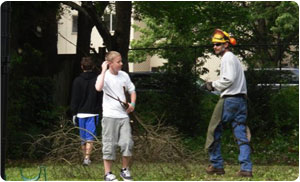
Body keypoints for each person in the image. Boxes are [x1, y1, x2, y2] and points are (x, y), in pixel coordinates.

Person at [203, 29, 253, 177]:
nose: (215, 47)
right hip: (241, 101)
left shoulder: (227, 58)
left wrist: (212, 85)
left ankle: (217, 165)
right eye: (214, 45)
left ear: (226, 44)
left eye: (218, 44)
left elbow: (228, 79)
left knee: (213, 131)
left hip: (229, 100)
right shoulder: (235, 59)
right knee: (240, 134)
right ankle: (246, 168)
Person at [95, 51, 136, 181]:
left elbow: (132, 90)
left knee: (127, 143)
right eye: (118, 62)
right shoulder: (104, 76)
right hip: (109, 116)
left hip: (123, 116)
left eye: (121, 61)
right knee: (109, 144)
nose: (121, 64)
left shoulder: (124, 75)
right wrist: (102, 70)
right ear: (110, 64)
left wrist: (132, 104)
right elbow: (98, 88)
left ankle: (124, 170)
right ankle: (108, 174)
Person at [70, 57, 102, 166]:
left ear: (82, 66)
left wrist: (74, 112)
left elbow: (74, 98)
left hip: (80, 113)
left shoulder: (77, 80)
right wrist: (99, 109)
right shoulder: (97, 79)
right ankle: (87, 158)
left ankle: (86, 158)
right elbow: (100, 96)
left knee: (83, 137)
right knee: (90, 137)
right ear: (93, 66)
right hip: (93, 112)